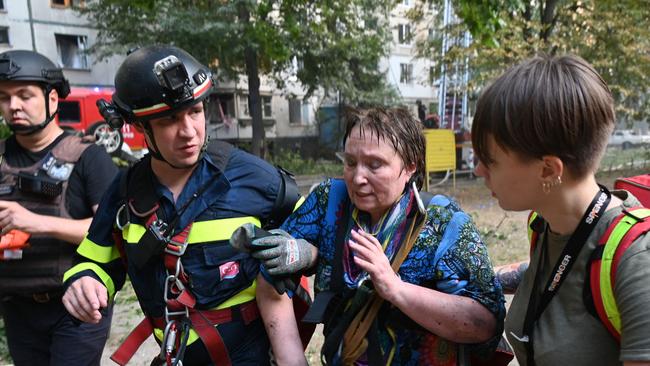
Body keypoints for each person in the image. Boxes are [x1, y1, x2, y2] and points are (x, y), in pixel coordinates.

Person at [61, 45, 306, 366]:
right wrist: (84, 280)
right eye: (169, 120)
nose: (189, 131)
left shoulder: (255, 178)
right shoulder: (123, 193)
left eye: (195, 112)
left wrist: (302, 251)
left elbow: (315, 233)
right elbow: (94, 261)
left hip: (249, 355)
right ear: (140, 127)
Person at [232, 107, 506, 365]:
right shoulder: (329, 202)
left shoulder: (442, 222)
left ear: (410, 166)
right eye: (350, 162)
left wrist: (395, 289)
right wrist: (291, 358)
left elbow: (484, 323)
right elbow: (270, 278)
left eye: (374, 165)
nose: (357, 177)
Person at [472, 54, 650, 366]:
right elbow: (556, 271)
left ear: (548, 170)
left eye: (490, 159)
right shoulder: (543, 225)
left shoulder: (638, 263)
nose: (478, 170)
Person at [0, 50, 117, 365]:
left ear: (52, 99)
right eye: (4, 97)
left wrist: (34, 222)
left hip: (76, 303)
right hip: (17, 306)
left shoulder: (89, 157)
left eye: (24, 95)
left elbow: (115, 231)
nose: (13, 106)